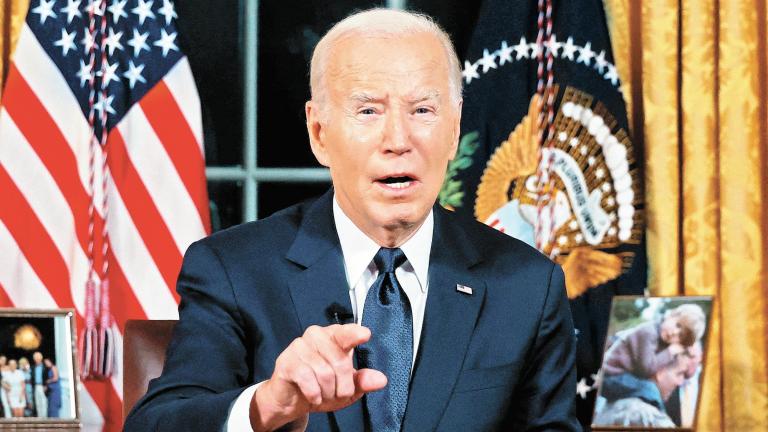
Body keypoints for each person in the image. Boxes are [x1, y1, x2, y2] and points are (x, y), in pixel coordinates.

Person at [125, 8, 579, 432]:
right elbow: (158, 421)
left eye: (422, 110)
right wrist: (267, 405)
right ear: (319, 133)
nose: (398, 140)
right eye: (368, 111)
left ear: (455, 128)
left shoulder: (527, 285)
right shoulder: (233, 270)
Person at [603, 304, 706, 379]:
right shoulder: (649, 332)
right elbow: (646, 369)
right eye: (678, 325)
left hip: (622, 374)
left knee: (651, 388)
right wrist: (670, 351)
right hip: (610, 372)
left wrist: (686, 349)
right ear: (671, 315)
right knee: (647, 389)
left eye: (680, 335)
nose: (674, 333)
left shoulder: (664, 341)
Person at [31, 351, 48, 418]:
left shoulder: (45, 367)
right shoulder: (33, 367)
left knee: (43, 403)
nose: (36, 359)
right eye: (35, 358)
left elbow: (48, 377)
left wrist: (46, 385)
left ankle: (44, 418)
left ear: (41, 358)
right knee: (37, 403)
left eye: (38, 358)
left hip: (43, 386)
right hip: (36, 386)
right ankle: (39, 418)